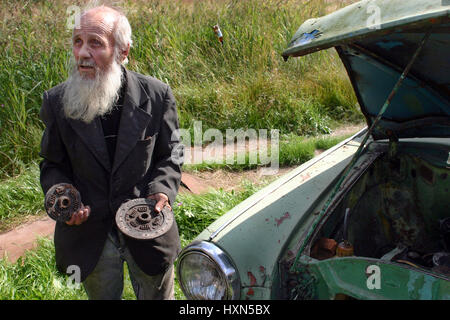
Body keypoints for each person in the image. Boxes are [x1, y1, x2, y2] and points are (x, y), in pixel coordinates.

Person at [39, 5, 183, 300]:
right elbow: (52, 163)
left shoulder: (157, 95)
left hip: (147, 225)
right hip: (90, 231)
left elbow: (171, 153)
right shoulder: (57, 101)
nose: (82, 53)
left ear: (122, 51)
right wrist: (61, 190)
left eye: (95, 43)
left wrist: (162, 190)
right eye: (78, 41)